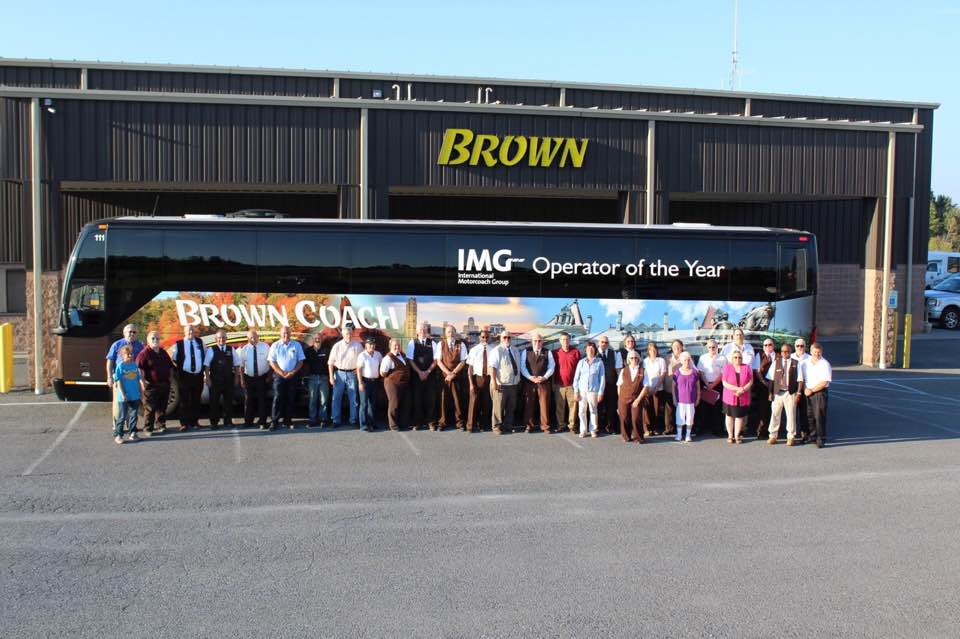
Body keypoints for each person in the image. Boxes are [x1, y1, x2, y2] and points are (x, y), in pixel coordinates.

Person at [136, 330, 173, 436]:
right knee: (150, 408)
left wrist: (170, 378)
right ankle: (148, 428)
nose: (155, 340)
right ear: (148, 340)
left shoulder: (163, 352)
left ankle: (161, 426)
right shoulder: (144, 353)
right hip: (151, 385)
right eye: (153, 338)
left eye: (157, 338)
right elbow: (139, 369)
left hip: (164, 384)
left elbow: (170, 366)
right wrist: (142, 383)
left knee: (162, 407)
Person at [268, 325, 305, 430]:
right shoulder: (275, 345)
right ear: (280, 334)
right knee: (278, 397)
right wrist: (281, 372)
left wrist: (292, 372)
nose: (286, 335)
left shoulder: (296, 345)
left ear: (290, 333)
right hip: (279, 376)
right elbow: (272, 361)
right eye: (284, 333)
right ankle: (274, 421)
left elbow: (300, 361)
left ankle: (288, 421)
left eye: (288, 332)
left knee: (290, 398)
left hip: (292, 376)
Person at [106, 324, 144, 424]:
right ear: (124, 333)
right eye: (129, 332)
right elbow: (110, 361)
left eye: (134, 332)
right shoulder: (117, 344)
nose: (132, 334)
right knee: (119, 402)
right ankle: (117, 426)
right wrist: (109, 377)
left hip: (133, 378)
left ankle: (130, 425)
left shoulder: (140, 346)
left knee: (132, 401)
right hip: (120, 378)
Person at [766, 343, 803, 445]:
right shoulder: (776, 362)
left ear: (790, 352)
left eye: (787, 351)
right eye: (782, 351)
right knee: (775, 414)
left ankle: (791, 437)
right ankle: (773, 436)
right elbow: (771, 379)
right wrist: (770, 393)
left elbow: (800, 380)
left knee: (791, 415)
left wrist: (798, 393)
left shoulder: (796, 363)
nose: (784, 353)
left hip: (790, 393)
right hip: (777, 393)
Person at [204, 329, 240, 430]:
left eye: (223, 337)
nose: (221, 339)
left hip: (228, 380)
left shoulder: (231, 349)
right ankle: (214, 422)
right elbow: (206, 365)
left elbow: (237, 364)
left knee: (228, 402)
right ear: (216, 339)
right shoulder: (211, 350)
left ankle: (228, 421)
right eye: (219, 338)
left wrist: (236, 378)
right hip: (215, 380)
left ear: (226, 338)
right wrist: (207, 378)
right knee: (214, 402)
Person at [171, 324, 205, 432]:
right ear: (184, 332)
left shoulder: (200, 342)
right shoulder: (179, 344)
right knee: (184, 401)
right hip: (185, 376)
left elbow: (204, 356)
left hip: (198, 376)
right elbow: (174, 359)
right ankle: (184, 424)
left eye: (192, 330)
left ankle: (195, 422)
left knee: (196, 400)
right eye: (188, 330)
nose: (190, 332)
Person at [328, 325, 363, 428]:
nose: (349, 335)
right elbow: (330, 363)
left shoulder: (357, 345)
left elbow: (363, 360)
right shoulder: (337, 346)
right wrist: (331, 377)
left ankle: (353, 420)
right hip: (339, 374)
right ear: (343, 334)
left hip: (352, 374)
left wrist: (358, 369)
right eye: (347, 334)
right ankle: (336, 420)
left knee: (353, 398)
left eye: (350, 333)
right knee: (336, 398)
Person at [435, 324, 468, 431]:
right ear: (445, 334)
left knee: (457, 399)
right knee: (443, 399)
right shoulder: (441, 344)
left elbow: (463, 361)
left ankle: (459, 422)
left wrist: (453, 373)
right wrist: (448, 374)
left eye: (452, 331)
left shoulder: (461, 344)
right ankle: (442, 422)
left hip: (457, 376)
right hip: (444, 376)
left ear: (455, 333)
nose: (451, 333)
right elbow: (438, 361)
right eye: (448, 332)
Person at [407, 322, 439, 431]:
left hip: (430, 376)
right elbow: (410, 360)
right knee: (417, 400)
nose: (422, 331)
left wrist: (428, 371)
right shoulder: (412, 342)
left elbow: (436, 360)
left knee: (431, 400)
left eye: (424, 329)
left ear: (427, 331)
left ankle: (431, 422)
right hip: (417, 376)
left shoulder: (433, 343)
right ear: (417, 331)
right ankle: (417, 423)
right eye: (420, 329)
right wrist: (420, 372)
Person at [489, 330, 522, 435]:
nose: (507, 339)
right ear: (500, 338)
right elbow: (492, 367)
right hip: (501, 384)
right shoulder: (496, 350)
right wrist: (494, 382)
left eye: (509, 337)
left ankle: (508, 425)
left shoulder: (515, 350)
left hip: (513, 384)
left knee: (511, 407)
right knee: (498, 407)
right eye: (504, 337)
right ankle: (496, 427)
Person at [521, 332, 555, 433]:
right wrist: (530, 377)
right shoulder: (526, 351)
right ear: (532, 341)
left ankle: (545, 426)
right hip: (529, 382)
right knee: (529, 404)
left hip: (543, 382)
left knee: (544, 405)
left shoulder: (548, 352)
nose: (537, 343)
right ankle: (528, 426)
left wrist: (544, 377)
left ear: (542, 342)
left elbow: (552, 366)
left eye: (539, 341)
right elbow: (522, 367)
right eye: (535, 341)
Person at [238, 329, 271, 430]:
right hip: (249, 378)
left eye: (255, 337)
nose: (253, 339)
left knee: (262, 400)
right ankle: (248, 421)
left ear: (258, 337)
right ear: (248, 338)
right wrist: (242, 380)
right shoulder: (244, 349)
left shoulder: (265, 347)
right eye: (251, 337)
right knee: (248, 400)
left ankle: (263, 422)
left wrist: (269, 376)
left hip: (262, 377)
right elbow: (241, 366)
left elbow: (270, 362)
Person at [801, 342, 831, 448]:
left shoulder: (825, 364)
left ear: (821, 352)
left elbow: (824, 382)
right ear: (811, 351)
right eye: (815, 352)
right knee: (809, 415)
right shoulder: (805, 363)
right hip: (807, 391)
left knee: (819, 416)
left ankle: (820, 438)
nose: (817, 354)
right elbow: (802, 378)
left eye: (819, 352)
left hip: (819, 392)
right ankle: (812, 436)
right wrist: (805, 389)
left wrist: (812, 390)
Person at [572, 341, 604, 438]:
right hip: (582, 391)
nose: (590, 350)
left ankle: (593, 430)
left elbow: (602, 378)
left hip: (593, 391)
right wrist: (576, 391)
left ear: (595, 350)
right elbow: (576, 378)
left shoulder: (599, 362)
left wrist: (601, 392)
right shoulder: (581, 362)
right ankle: (583, 430)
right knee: (581, 411)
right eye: (588, 348)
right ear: (585, 350)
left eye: (592, 348)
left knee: (593, 411)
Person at [552, 332, 581, 434]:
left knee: (573, 407)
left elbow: (579, 369)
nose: (565, 341)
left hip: (572, 385)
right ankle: (561, 425)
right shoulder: (555, 353)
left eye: (567, 339)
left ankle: (572, 426)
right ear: (560, 341)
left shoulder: (575, 352)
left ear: (570, 340)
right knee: (559, 406)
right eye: (563, 339)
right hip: (559, 384)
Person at [466, 329, 495, 432]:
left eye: (487, 337)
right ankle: (470, 425)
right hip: (477, 378)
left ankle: (484, 424)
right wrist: (471, 384)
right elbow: (470, 368)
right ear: (479, 338)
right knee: (473, 402)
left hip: (488, 378)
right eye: (483, 337)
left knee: (486, 403)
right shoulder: (474, 350)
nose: (485, 339)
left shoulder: (493, 350)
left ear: (489, 338)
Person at [721, 349, 753, 443]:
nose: (737, 359)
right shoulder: (727, 367)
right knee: (729, 416)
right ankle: (730, 436)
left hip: (743, 396)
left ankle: (737, 436)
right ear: (732, 359)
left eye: (739, 357)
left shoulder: (747, 367)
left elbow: (751, 381)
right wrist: (737, 389)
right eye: (735, 357)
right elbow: (724, 382)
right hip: (730, 397)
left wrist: (742, 389)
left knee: (739, 417)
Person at [380, 338, 412, 431]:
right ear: (390, 346)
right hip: (392, 384)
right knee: (394, 404)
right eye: (395, 345)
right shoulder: (388, 358)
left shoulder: (402, 355)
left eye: (398, 345)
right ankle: (393, 425)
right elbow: (382, 373)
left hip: (403, 383)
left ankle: (402, 423)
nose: (397, 347)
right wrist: (393, 377)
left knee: (405, 403)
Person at [112, 345, 141, 444]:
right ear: (122, 355)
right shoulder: (120, 366)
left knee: (134, 415)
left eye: (131, 354)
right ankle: (118, 435)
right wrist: (123, 393)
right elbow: (118, 381)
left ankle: (133, 433)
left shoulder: (134, 365)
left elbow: (138, 379)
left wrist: (140, 391)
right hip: (124, 396)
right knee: (122, 416)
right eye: (127, 354)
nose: (130, 355)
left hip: (135, 395)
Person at [696, 339, 726, 436]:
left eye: (713, 347)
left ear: (717, 347)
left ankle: (717, 430)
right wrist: (706, 383)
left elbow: (723, 374)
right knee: (703, 408)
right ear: (707, 348)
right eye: (709, 347)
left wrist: (713, 385)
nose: (712, 349)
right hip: (705, 384)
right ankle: (702, 428)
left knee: (717, 409)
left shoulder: (722, 358)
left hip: (717, 385)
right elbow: (700, 372)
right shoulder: (703, 357)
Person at [615, 350, 646, 445]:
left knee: (636, 417)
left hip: (636, 398)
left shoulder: (643, 371)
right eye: (632, 358)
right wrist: (620, 398)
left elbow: (646, 387)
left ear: (639, 359)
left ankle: (638, 438)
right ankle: (626, 436)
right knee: (624, 417)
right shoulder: (623, 370)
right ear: (628, 359)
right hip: (623, 398)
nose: (634, 360)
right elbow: (619, 385)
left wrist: (638, 399)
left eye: (636, 358)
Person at [303, 333, 331, 428]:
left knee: (324, 400)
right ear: (312, 339)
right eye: (315, 338)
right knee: (312, 400)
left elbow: (331, 363)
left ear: (322, 339)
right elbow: (304, 364)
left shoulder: (326, 350)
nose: (317, 339)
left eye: (319, 338)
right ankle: (312, 420)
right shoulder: (308, 351)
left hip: (324, 378)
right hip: (312, 378)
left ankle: (323, 420)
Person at [356, 337, 384, 432]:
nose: (372, 346)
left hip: (375, 381)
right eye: (370, 344)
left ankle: (372, 423)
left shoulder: (378, 354)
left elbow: (382, 365)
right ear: (366, 345)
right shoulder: (362, 355)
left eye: (373, 344)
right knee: (364, 404)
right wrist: (360, 383)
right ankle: (363, 425)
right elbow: (359, 370)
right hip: (365, 381)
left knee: (372, 403)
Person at [672, 351, 700, 443]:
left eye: (688, 360)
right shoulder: (677, 373)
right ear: (681, 361)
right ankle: (679, 435)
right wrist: (674, 398)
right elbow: (673, 387)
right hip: (680, 400)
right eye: (685, 360)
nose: (687, 362)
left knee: (690, 419)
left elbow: (698, 386)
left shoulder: (695, 373)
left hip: (691, 400)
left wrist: (698, 397)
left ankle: (688, 435)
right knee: (679, 418)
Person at [750, 338, 776, 439]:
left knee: (775, 410)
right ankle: (762, 431)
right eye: (765, 345)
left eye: (770, 345)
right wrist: (764, 382)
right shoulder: (759, 355)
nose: (767, 347)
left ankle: (773, 431)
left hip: (775, 386)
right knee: (763, 409)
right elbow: (756, 371)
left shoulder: (778, 356)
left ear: (773, 346)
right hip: (762, 387)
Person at [596, 336, 622, 434]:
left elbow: (618, 369)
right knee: (598, 406)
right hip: (598, 385)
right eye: (602, 342)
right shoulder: (594, 352)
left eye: (606, 342)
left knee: (611, 406)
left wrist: (619, 383)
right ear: (599, 343)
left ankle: (610, 427)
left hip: (611, 384)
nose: (604, 344)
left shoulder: (614, 353)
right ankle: (598, 427)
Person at [641, 342, 666, 436]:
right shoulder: (645, 361)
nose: (653, 351)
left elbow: (662, 374)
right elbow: (643, 375)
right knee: (647, 409)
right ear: (648, 351)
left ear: (657, 350)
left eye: (654, 349)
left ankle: (655, 428)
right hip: (647, 388)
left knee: (656, 409)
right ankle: (647, 429)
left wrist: (656, 387)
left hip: (658, 389)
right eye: (651, 350)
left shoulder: (661, 360)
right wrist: (646, 388)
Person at [661, 339, 684, 436]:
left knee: (681, 409)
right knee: (669, 409)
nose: (677, 348)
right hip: (669, 386)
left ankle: (681, 428)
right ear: (671, 348)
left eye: (678, 346)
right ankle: (669, 428)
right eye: (674, 346)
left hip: (682, 388)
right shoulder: (667, 358)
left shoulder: (686, 356)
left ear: (682, 347)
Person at [792, 338, 812, 441]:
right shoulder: (790, 357)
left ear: (805, 347)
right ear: (795, 347)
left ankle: (804, 432)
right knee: (792, 411)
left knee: (804, 411)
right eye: (798, 346)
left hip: (805, 387)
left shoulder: (810, 358)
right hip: (792, 387)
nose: (800, 347)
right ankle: (792, 432)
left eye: (802, 346)